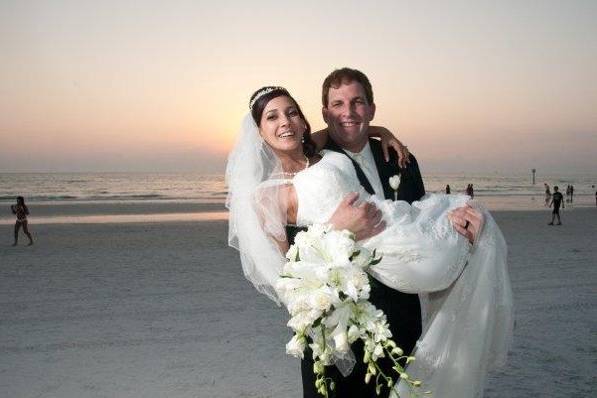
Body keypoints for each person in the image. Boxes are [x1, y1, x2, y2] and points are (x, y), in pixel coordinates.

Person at [226, 85, 513, 398]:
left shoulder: (320, 149)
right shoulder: (268, 194)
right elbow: (288, 275)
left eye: (292, 112)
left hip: (398, 228)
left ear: (304, 121)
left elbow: (349, 127)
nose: (286, 121)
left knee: (471, 218)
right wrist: (337, 229)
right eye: (273, 117)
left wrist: (383, 131)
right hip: (349, 299)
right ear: (260, 132)